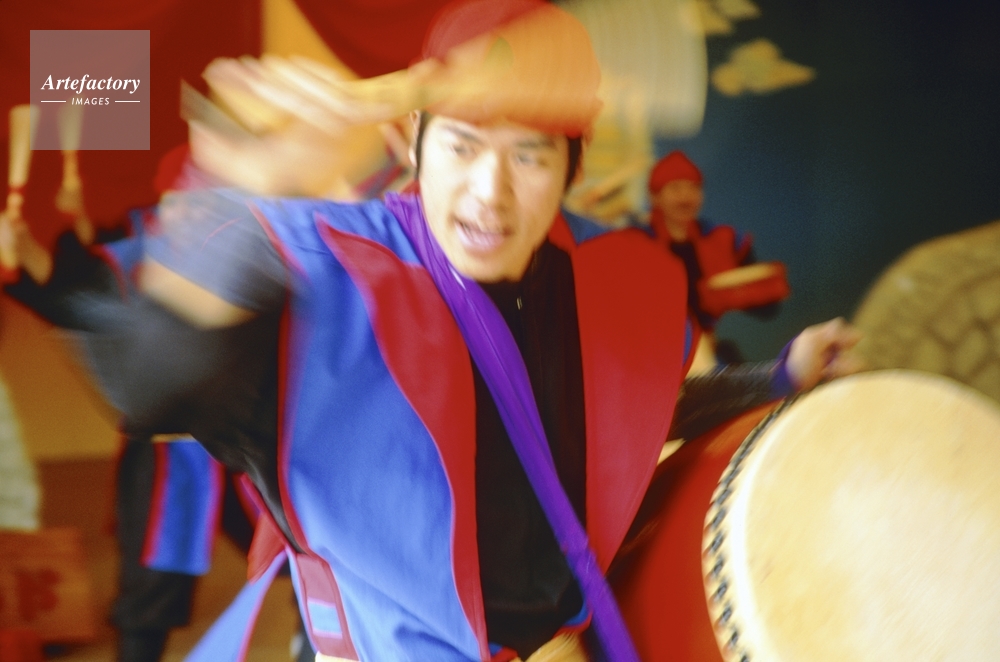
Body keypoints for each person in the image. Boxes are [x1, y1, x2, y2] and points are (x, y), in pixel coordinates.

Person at [0, 1, 861, 659]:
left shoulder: (597, 277)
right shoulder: (324, 268)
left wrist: (777, 376)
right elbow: (151, 386)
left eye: (530, 153)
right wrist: (237, 191)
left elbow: (619, 427)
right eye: (463, 144)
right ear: (411, 144)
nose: (490, 192)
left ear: (572, 164)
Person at [647, 150, 791, 363]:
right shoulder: (635, 244)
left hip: (707, 348)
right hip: (652, 352)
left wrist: (749, 293)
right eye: (676, 188)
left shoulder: (724, 240)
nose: (686, 198)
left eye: (693, 188)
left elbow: (769, 310)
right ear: (655, 197)